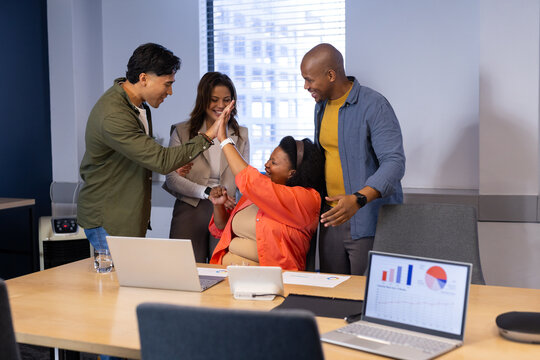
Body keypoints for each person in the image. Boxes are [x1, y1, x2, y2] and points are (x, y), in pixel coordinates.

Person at [77, 43, 222, 254]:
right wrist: (209, 135)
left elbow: (139, 155)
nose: (170, 92)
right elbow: (160, 160)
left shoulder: (138, 106)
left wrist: (170, 166)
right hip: (109, 219)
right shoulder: (114, 114)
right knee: (117, 284)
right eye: (167, 84)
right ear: (143, 78)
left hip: (127, 216)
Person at [300, 43, 405, 275]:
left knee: (365, 299)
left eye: (309, 80)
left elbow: (394, 163)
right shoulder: (321, 107)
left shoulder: (374, 105)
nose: (306, 86)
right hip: (331, 219)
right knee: (332, 297)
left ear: (330, 75)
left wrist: (358, 199)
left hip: (367, 221)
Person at [207, 103, 324, 271]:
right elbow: (222, 229)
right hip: (225, 273)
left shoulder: (306, 199)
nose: (266, 165)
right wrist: (218, 205)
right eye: (269, 159)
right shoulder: (258, 189)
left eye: (274, 162)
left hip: (269, 283)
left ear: (292, 173)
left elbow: (250, 181)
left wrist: (224, 140)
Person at [163, 72, 249, 263]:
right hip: (191, 206)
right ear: (203, 100)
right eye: (214, 100)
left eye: (226, 100)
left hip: (227, 210)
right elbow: (172, 178)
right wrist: (209, 192)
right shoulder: (182, 131)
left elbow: (244, 176)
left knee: (224, 268)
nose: (220, 105)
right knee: (186, 267)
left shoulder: (241, 134)